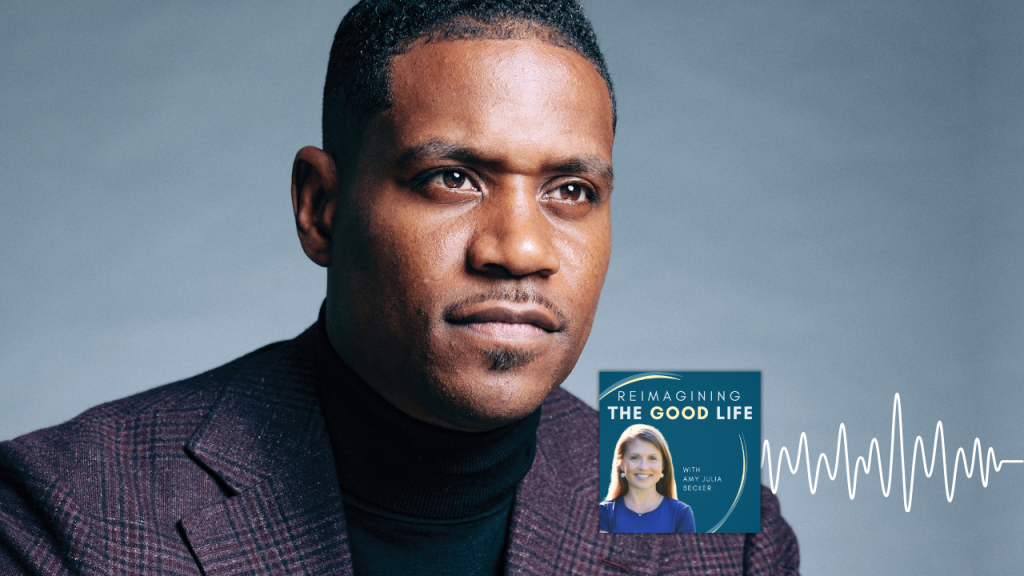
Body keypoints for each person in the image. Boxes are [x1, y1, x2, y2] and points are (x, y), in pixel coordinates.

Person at [0, 1, 800, 574]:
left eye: (571, 192)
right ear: (320, 208)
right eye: (451, 178)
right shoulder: (67, 514)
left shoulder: (723, 532)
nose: (521, 249)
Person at [600, 424, 696, 534]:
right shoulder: (603, 513)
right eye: (634, 457)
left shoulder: (681, 514)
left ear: (663, 466)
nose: (643, 467)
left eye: (652, 458)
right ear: (621, 464)